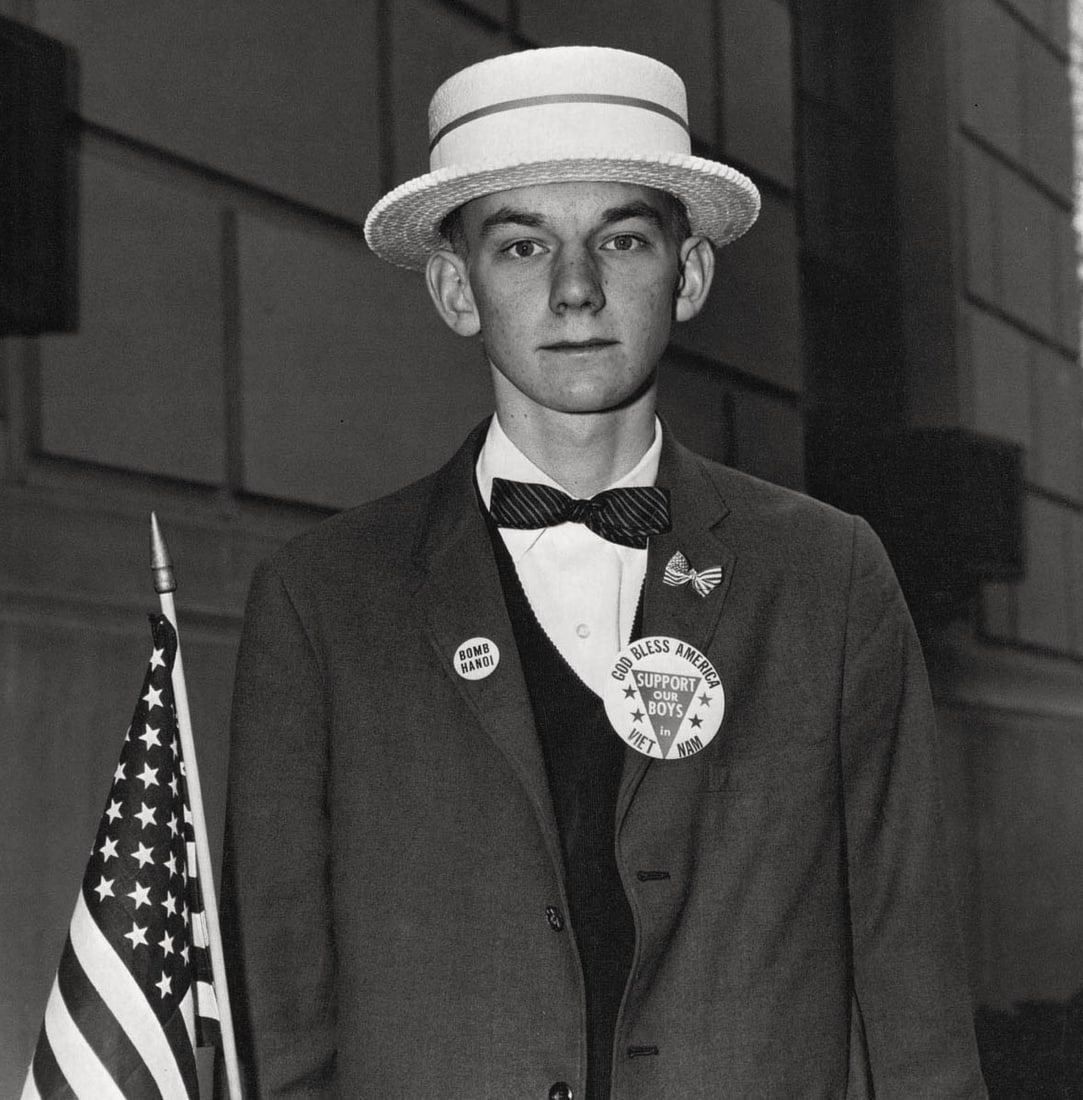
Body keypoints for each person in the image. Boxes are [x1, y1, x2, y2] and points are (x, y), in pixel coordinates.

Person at [220, 46, 987, 1099]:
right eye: (523, 246)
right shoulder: (323, 601)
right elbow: (279, 1017)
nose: (576, 289)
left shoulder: (828, 576)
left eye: (621, 239)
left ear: (692, 271)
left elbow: (914, 995)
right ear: (454, 287)